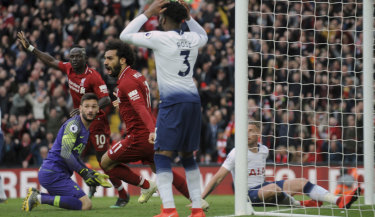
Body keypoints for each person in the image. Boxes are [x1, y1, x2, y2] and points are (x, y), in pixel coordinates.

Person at [17, 31, 128, 208]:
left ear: (85, 58)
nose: (74, 59)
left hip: (96, 121)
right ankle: (81, 186)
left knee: (104, 159)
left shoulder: (93, 76)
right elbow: (50, 60)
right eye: (72, 56)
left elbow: (106, 99)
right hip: (80, 120)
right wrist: (30, 48)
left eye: (78, 56)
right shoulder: (68, 68)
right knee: (72, 152)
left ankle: (122, 193)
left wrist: (88, 108)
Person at [120, 0, 208, 216]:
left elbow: (124, 35)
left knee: (161, 155)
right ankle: (197, 209)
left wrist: (145, 13)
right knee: (188, 156)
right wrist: (190, 18)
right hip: (193, 101)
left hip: (173, 102)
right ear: (183, 19)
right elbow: (204, 36)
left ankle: (168, 209)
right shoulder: (193, 38)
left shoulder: (160, 37)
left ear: (161, 18)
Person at [101, 39, 207, 208]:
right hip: (149, 135)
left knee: (105, 162)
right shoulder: (135, 75)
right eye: (105, 58)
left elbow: (141, 107)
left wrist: (152, 130)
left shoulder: (127, 81)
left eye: (110, 58)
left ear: (122, 60)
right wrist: (122, 103)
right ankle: (196, 200)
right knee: (163, 170)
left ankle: (146, 185)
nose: (106, 62)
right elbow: (137, 102)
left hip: (140, 137)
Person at [201, 122, 361, 209]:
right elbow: (218, 178)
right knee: (274, 189)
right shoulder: (237, 152)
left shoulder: (263, 150)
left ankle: (338, 200)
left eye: (251, 130)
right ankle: (300, 203)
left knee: (302, 182)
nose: (247, 133)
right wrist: (199, 200)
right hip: (247, 195)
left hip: (263, 187)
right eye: (246, 130)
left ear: (258, 134)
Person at [22, 93, 111, 211]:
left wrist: (89, 173)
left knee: (78, 203)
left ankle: (37, 196)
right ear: (80, 108)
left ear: (98, 109)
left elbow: (75, 156)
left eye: (94, 107)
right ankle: (38, 198)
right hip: (53, 173)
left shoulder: (85, 128)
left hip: (58, 173)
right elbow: (65, 153)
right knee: (86, 205)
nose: (90, 110)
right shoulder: (74, 125)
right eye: (87, 106)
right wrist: (84, 173)